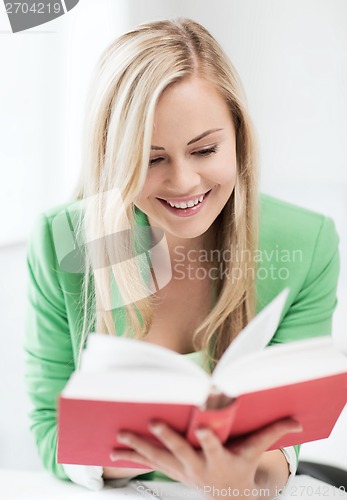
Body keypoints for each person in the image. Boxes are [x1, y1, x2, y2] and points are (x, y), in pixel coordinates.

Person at [24, 18, 339, 498]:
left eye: (205, 149)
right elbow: (51, 431)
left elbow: (289, 438)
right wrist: (152, 454)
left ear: (239, 139)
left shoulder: (306, 242)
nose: (185, 182)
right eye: (152, 159)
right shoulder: (63, 241)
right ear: (114, 157)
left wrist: (237, 485)